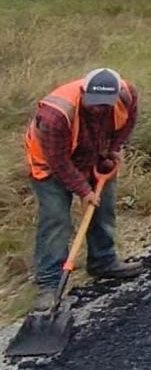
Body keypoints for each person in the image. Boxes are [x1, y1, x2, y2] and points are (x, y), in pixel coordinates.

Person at [23, 68, 143, 311]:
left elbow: (127, 122)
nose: (97, 109)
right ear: (83, 92)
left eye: (103, 105)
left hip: (94, 155)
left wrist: (112, 150)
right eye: (93, 104)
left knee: (104, 209)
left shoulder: (126, 95)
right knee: (55, 219)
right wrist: (84, 191)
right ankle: (49, 284)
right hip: (49, 165)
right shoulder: (55, 115)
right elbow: (58, 162)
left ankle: (103, 261)